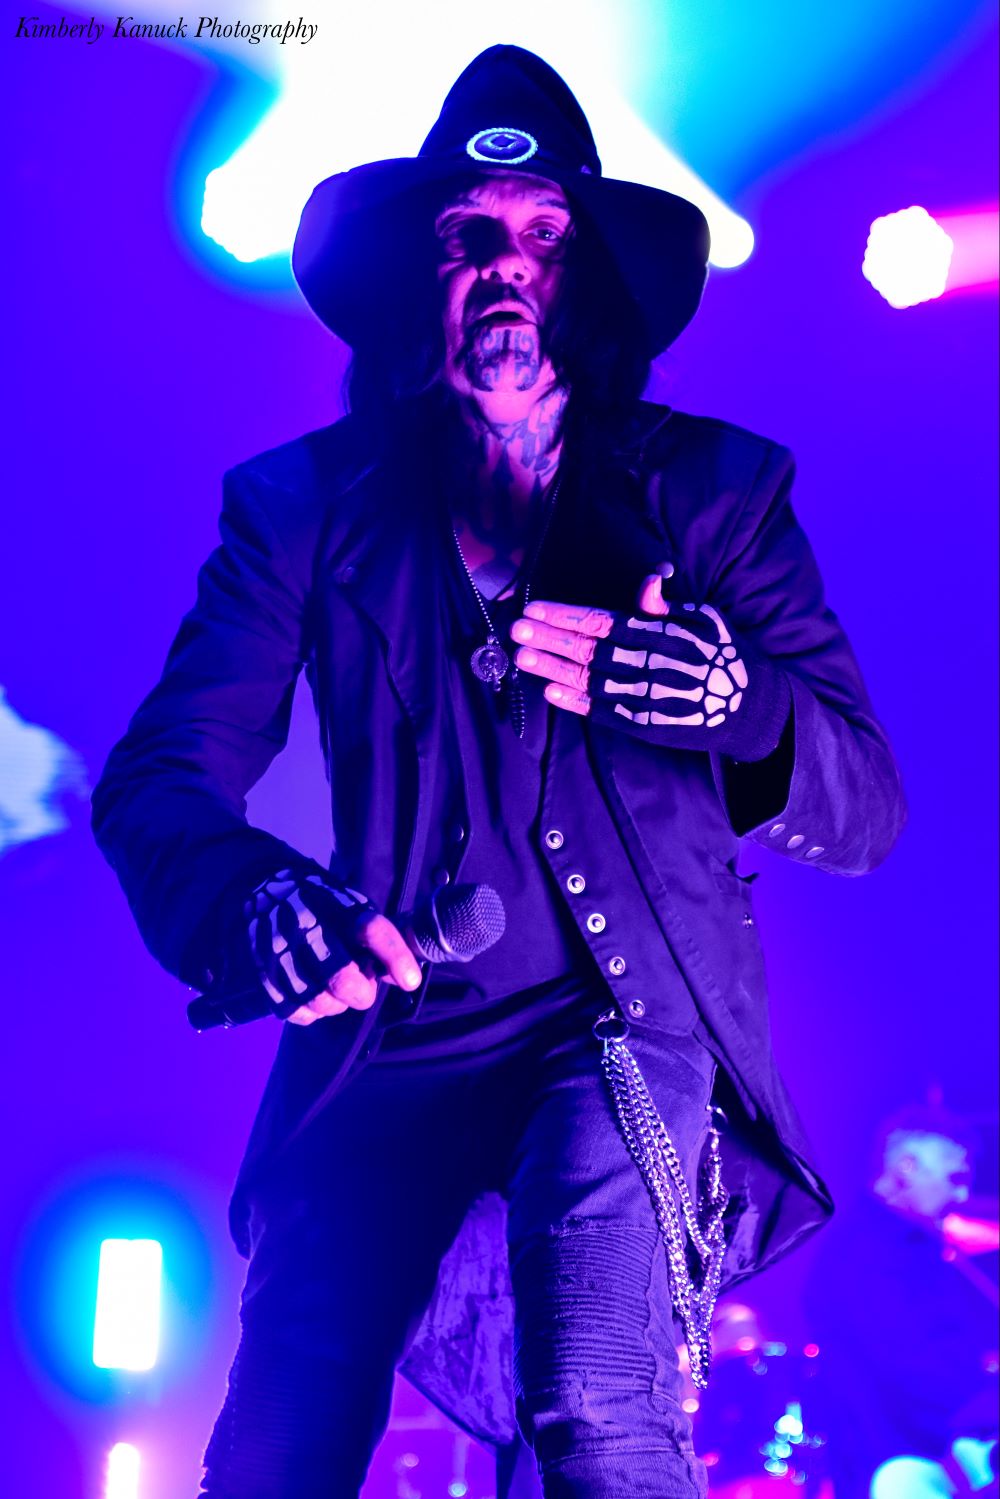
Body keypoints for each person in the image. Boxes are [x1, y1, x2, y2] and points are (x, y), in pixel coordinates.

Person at [91, 45, 907, 1498]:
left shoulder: (716, 495)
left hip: (620, 1028)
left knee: (594, 1398)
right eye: (469, 234)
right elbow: (160, 774)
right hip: (382, 1041)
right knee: (275, 1443)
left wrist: (733, 701)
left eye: (544, 234)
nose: (506, 265)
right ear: (425, 280)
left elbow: (867, 804)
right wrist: (251, 898)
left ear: (586, 282)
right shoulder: (299, 507)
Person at [804, 1107, 999, 1498]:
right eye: (955, 1179)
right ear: (907, 1167)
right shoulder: (866, 1250)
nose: (962, 1196)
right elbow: (910, 1364)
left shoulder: (914, 1246)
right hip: (899, 1463)